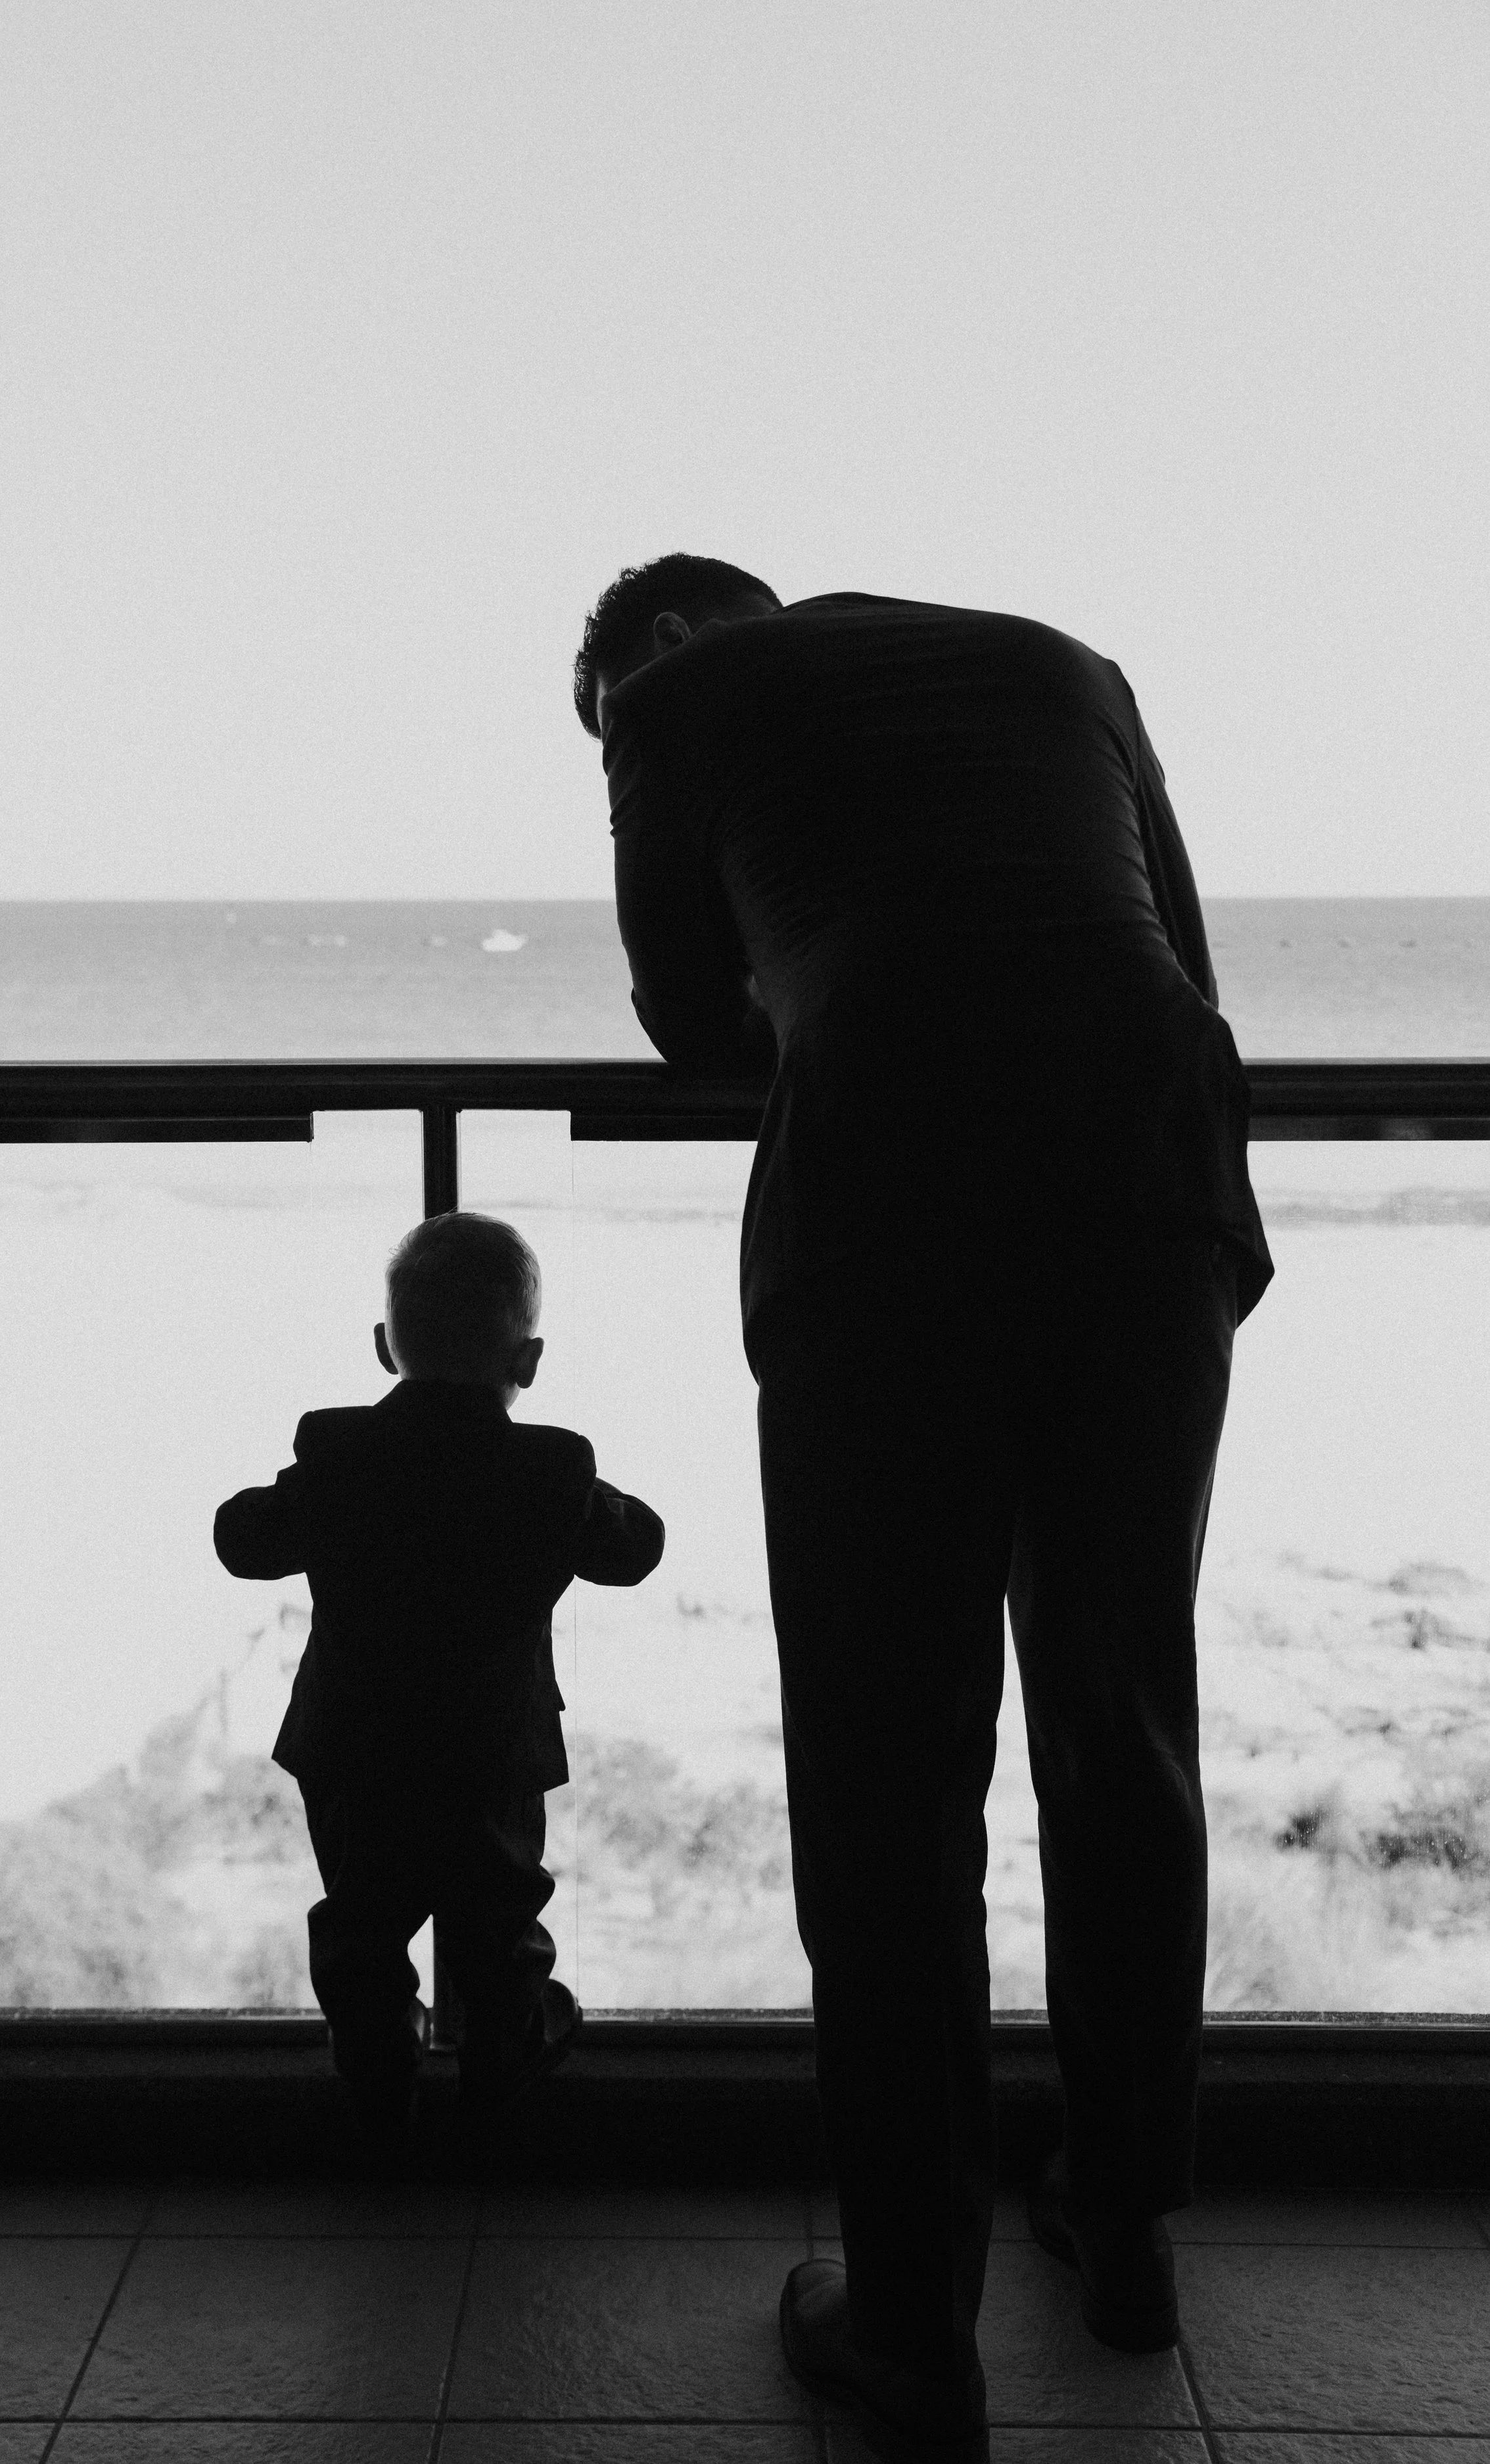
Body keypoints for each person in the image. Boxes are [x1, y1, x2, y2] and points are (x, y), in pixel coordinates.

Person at [574, 555, 1274, 2463]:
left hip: (887, 1207)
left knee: (888, 1777)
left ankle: (911, 2328)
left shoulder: (669, 700)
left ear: (640, 651)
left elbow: (687, 1019)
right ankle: (1121, 2217)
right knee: (1119, 1713)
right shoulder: (1060, 660)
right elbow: (1186, 970)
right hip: (1149, 1177)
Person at [214, 1209, 664, 2148]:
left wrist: (296, 1496)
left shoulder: (335, 1451)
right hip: (489, 1751)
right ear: (529, 1360)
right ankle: (502, 2077)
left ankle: (381, 2080)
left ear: (386, 1346)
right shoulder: (553, 1467)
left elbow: (242, 1537)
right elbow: (635, 1549)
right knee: (496, 1923)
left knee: (362, 1923)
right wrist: (595, 1498)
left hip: (354, 1746)